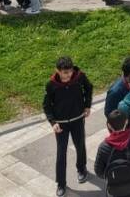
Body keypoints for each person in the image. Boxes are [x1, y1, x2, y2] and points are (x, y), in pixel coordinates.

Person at [43, 56, 93, 197]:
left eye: (69, 72)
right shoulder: (51, 85)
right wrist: (53, 123)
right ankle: (61, 183)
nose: (68, 75)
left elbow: (89, 88)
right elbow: (46, 106)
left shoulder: (79, 77)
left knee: (80, 145)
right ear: (57, 71)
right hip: (61, 125)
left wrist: (87, 105)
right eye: (65, 73)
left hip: (77, 120)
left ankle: (81, 168)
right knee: (61, 153)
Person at [94, 109, 130, 197]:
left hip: (115, 191)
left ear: (109, 126)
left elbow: (98, 171)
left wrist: (115, 176)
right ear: (126, 122)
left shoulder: (103, 147)